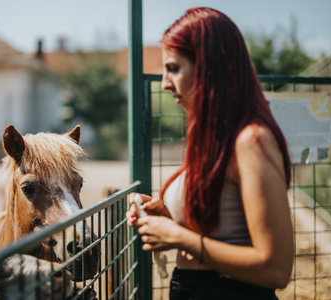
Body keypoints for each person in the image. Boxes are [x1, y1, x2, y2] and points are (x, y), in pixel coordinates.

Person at [126, 7, 293, 300]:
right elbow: (217, 232)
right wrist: (167, 221)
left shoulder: (252, 141)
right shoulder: (213, 137)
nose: (165, 83)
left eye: (174, 68)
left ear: (210, 68)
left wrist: (180, 238)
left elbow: (276, 269)